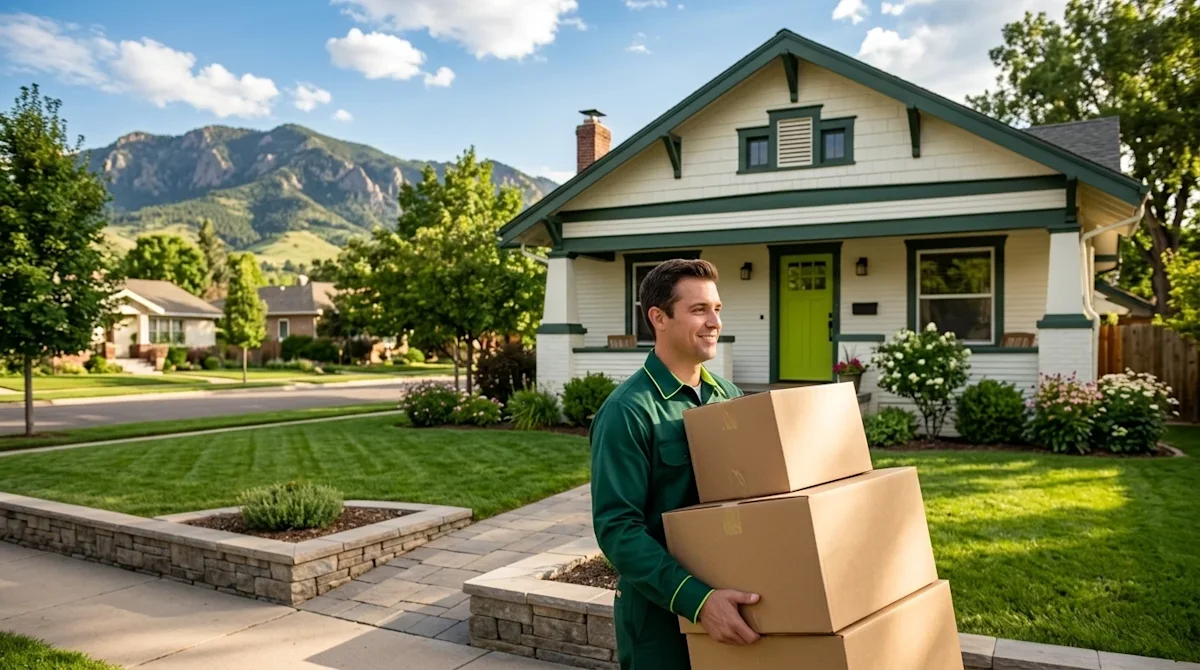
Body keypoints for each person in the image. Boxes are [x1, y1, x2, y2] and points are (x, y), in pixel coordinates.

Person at [590, 258, 761, 670]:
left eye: (716, 309)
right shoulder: (627, 411)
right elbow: (618, 529)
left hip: (736, 605)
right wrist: (698, 601)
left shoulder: (730, 397)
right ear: (659, 318)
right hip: (660, 621)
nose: (714, 322)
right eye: (699, 310)